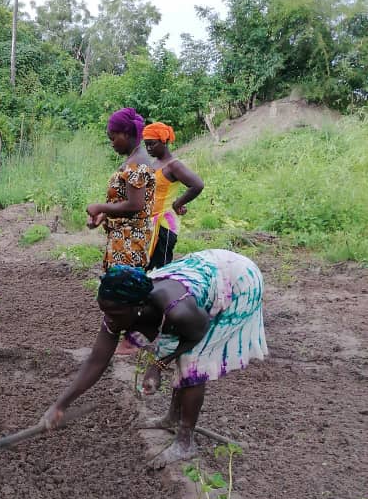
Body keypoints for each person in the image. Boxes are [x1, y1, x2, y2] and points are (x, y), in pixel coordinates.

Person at [41, 250, 268, 468]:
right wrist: (60, 405)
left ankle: (184, 442)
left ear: (138, 307)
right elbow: (97, 360)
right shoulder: (120, 306)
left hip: (237, 279)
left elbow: (196, 334)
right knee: (176, 348)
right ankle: (171, 419)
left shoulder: (178, 310)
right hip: (206, 269)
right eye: (105, 311)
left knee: (192, 364)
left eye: (114, 314)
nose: (109, 319)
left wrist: (158, 365)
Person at [86, 107, 155, 272]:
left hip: (129, 243)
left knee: (121, 293)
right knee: (118, 293)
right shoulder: (134, 159)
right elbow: (125, 201)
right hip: (123, 240)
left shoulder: (136, 163)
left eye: (113, 138)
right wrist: (104, 215)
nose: (112, 143)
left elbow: (134, 205)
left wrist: (100, 207)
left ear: (126, 133)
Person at [142, 122, 204, 270]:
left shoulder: (173, 165)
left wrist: (177, 204)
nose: (149, 148)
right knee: (147, 267)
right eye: (146, 145)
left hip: (164, 224)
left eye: (152, 144)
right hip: (150, 222)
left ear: (164, 141)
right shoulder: (156, 163)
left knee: (160, 269)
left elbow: (197, 185)